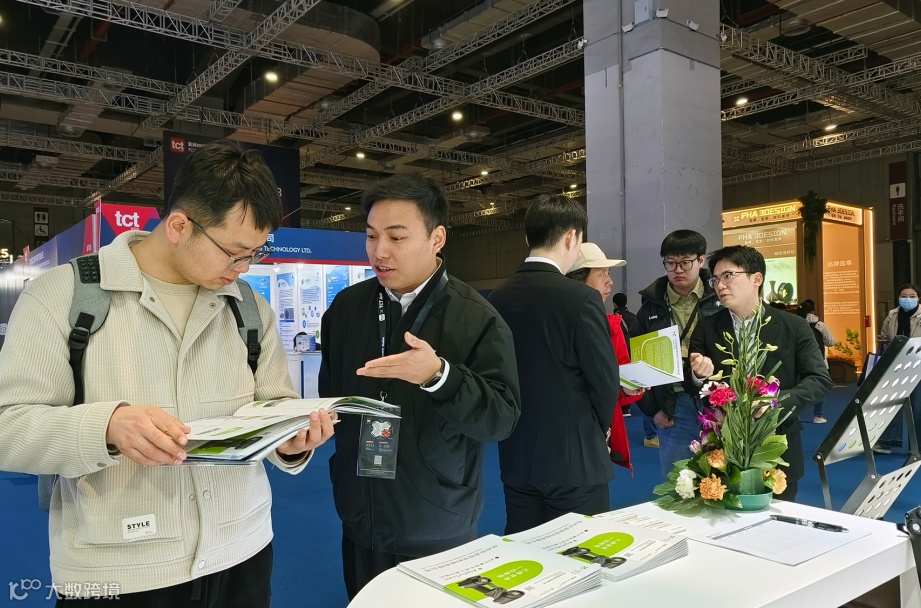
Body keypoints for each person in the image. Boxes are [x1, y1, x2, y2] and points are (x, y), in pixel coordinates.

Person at [0, 140, 336, 606]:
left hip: (244, 549)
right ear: (179, 226)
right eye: (234, 253)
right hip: (121, 570)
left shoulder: (249, 308)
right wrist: (107, 426)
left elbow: (273, 402)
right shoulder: (64, 296)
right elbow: (8, 426)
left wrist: (289, 438)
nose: (242, 269)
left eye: (255, 253)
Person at [319, 174, 520, 600]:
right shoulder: (346, 308)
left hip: (437, 519)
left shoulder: (476, 317)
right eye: (371, 236)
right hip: (360, 512)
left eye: (396, 237)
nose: (380, 251)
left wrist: (440, 376)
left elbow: (500, 419)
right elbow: (330, 398)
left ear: (437, 238)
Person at [489, 195, 620, 535]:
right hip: (574, 458)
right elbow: (604, 382)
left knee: (524, 549)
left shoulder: (498, 297)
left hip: (516, 454)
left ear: (527, 239)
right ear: (571, 238)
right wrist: (598, 430)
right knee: (580, 553)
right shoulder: (581, 298)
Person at [687, 245, 832, 501]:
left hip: (777, 445)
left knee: (776, 520)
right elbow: (692, 385)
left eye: (728, 276)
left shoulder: (793, 326)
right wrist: (698, 375)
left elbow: (819, 380)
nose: (720, 285)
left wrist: (775, 403)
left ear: (756, 278)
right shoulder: (708, 327)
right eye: (715, 279)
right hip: (724, 448)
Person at [635, 230, 721, 478]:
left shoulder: (719, 297)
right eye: (671, 263)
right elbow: (637, 363)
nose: (678, 270)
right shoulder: (651, 306)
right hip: (674, 403)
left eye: (685, 263)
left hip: (718, 399)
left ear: (701, 260)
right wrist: (652, 410)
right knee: (678, 480)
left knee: (722, 477)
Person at [564, 243, 645, 470]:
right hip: (563, 434)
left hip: (597, 438)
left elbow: (619, 392)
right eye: (601, 274)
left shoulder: (611, 327)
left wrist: (628, 387)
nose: (610, 281)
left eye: (608, 273)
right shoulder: (554, 326)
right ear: (578, 281)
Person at [877, 284, 921, 453]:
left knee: (918, 407)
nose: (907, 299)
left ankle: (917, 446)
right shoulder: (892, 315)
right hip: (895, 365)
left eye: (912, 296)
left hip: (918, 366)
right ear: (898, 297)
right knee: (890, 404)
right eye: (904, 296)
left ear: (918, 298)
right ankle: (887, 441)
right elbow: (885, 336)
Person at [613, 291, 658, 446]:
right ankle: (651, 435)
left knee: (641, 392)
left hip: (631, 360)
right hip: (647, 359)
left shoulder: (616, 319)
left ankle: (651, 435)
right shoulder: (633, 316)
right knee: (644, 391)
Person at [797, 299, 836, 424]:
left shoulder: (797, 324)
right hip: (819, 361)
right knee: (820, 387)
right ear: (813, 311)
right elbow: (831, 341)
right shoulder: (820, 325)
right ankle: (818, 416)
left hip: (799, 362)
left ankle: (796, 415)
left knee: (798, 388)